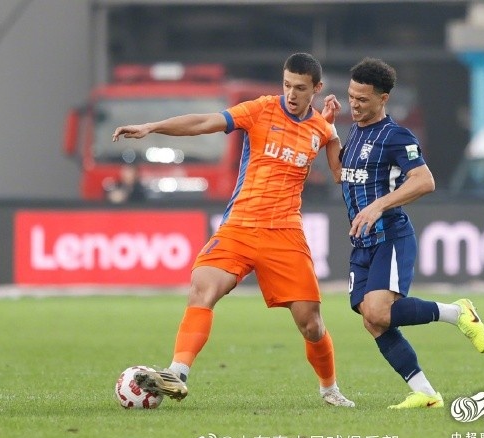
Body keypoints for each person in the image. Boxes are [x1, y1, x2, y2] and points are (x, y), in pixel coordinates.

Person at [112, 52, 354, 407]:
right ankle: (177, 373)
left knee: (311, 324)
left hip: (284, 232)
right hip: (239, 225)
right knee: (202, 288)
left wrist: (333, 132)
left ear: (316, 89)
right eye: (287, 85)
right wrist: (152, 127)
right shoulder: (260, 109)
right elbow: (204, 122)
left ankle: (329, 389)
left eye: (300, 88)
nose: (291, 94)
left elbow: (338, 173)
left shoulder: (322, 129)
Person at [325, 57, 484, 409]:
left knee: (380, 313)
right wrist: (330, 132)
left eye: (362, 99)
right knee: (373, 321)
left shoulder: (396, 136)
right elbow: (340, 174)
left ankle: (458, 312)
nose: (354, 104)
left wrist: (379, 205)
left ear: (383, 98)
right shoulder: (356, 131)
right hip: (362, 243)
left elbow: (425, 181)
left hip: (390, 236)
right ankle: (426, 393)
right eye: (351, 96)